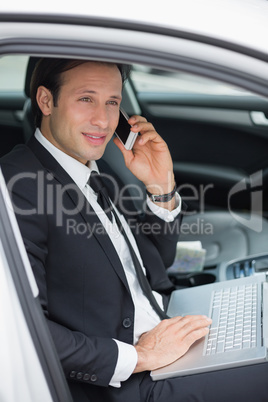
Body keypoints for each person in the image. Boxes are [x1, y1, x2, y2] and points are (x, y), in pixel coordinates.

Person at [1, 58, 268, 402]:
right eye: (86, 99)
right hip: (129, 384)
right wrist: (142, 356)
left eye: (112, 102)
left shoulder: (91, 168)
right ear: (46, 101)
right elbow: (20, 330)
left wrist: (161, 186)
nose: (103, 119)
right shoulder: (18, 188)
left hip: (166, 326)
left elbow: (153, 264)